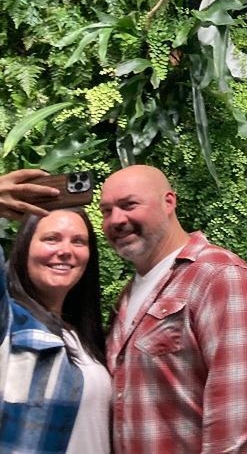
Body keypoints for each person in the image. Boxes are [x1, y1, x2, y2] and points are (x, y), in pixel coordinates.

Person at [100, 164, 247, 453]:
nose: (116, 219)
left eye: (129, 205)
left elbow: (236, 418)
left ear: (169, 202)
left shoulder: (217, 275)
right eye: (106, 211)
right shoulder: (129, 295)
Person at [0, 168, 110, 454]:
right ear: (25, 248)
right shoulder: (8, 320)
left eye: (78, 241)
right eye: (51, 238)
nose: (65, 250)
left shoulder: (88, 338)